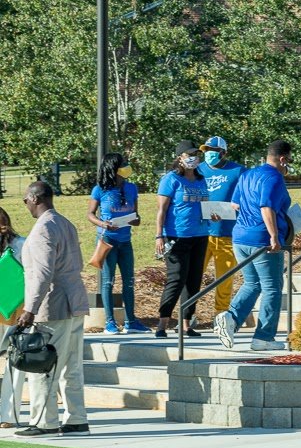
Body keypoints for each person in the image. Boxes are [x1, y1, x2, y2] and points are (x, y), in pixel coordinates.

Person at [13, 181, 90, 437]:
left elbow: (43, 273)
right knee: (71, 365)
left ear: (35, 199)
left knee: (43, 365)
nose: (25, 204)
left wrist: (30, 308)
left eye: (25, 199)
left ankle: (44, 421)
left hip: (54, 304)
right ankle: (76, 418)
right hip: (75, 301)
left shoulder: (43, 228)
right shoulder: (64, 222)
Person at [213, 140, 293, 351]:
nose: (289, 165)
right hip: (262, 239)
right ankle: (264, 337)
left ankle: (230, 317)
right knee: (272, 288)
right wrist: (274, 236)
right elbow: (267, 207)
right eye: (289, 160)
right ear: (282, 158)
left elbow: (235, 204)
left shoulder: (247, 174)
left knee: (252, 283)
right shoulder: (274, 177)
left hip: (240, 236)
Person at [86, 153, 147, 335]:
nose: (127, 166)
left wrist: (136, 220)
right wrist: (103, 224)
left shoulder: (131, 188)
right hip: (107, 241)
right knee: (108, 281)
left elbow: (135, 214)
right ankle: (110, 323)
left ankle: (131, 321)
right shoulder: (100, 190)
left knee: (129, 280)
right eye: (123, 164)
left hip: (125, 241)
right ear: (113, 168)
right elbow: (90, 214)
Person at [155, 141, 209, 339]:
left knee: (194, 280)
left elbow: (204, 205)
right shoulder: (171, 179)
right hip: (177, 235)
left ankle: (186, 324)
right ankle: (162, 323)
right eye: (190, 154)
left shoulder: (201, 179)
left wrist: (214, 214)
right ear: (180, 157)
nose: (194, 157)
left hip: (200, 234)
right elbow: (161, 210)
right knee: (176, 279)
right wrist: (159, 235)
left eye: (196, 154)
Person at [198, 136, 246, 320]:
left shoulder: (238, 171)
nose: (209, 153)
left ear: (223, 152)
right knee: (193, 277)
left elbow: (246, 196)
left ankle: (220, 316)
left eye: (214, 150)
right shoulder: (198, 170)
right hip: (201, 234)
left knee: (224, 279)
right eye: (206, 150)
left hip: (227, 232)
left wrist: (236, 207)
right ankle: (188, 315)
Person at [0, 207, 27, 429]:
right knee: (14, 367)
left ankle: (8, 415)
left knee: (15, 364)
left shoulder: (21, 245)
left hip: (17, 314)